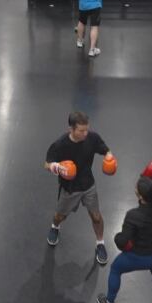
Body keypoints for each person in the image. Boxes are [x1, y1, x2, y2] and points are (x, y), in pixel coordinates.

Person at [45, 111, 115, 264]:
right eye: (81, 131)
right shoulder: (60, 144)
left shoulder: (92, 138)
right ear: (71, 129)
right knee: (60, 216)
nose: (85, 133)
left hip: (88, 184)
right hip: (69, 187)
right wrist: (58, 168)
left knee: (96, 216)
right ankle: (55, 227)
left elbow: (105, 149)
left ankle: (100, 243)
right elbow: (47, 163)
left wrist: (109, 157)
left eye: (86, 129)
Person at [97, 176, 152, 303]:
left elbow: (122, 242)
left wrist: (116, 237)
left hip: (138, 257)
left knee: (115, 268)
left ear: (141, 196)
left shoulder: (134, 215)